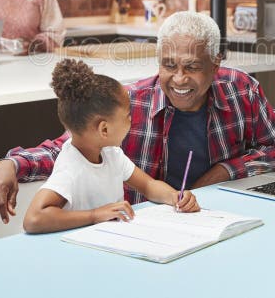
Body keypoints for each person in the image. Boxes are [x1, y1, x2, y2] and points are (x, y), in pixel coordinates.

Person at [0, 11, 275, 224]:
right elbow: (69, 148)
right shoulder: (130, 104)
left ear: (215, 63)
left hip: (218, 219)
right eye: (169, 65)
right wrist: (10, 163)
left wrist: (224, 171)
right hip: (144, 232)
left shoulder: (241, 90)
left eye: (192, 67)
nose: (179, 79)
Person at [23, 59, 199, 234]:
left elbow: (148, 185)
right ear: (104, 129)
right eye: (127, 115)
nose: (132, 120)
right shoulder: (71, 167)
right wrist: (94, 215)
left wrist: (174, 196)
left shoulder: (111, 154)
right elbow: (33, 219)